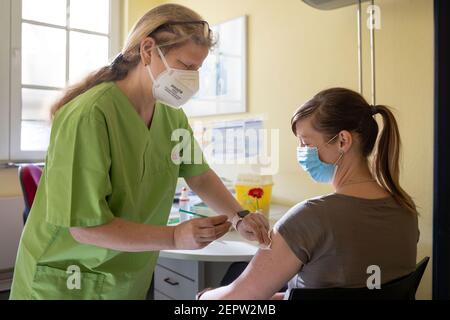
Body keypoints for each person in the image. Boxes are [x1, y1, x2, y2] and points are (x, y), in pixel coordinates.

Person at [10, 4, 270, 300]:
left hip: (125, 277)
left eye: (197, 69)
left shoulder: (171, 117)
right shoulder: (89, 115)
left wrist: (239, 216)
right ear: (148, 49)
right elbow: (84, 228)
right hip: (65, 279)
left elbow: (200, 176)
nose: (191, 78)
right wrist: (174, 236)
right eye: (185, 66)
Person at [198, 88, 419, 300]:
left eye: (306, 143)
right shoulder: (405, 209)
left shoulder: (308, 218)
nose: (303, 153)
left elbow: (238, 297)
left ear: (343, 141)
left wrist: (202, 296)